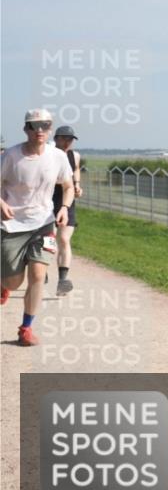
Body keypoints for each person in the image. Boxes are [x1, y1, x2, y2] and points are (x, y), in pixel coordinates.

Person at [1, 109, 74, 346]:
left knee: (38, 274)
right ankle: (4, 284)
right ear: (26, 129)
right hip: (12, 225)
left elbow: (68, 185)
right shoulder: (11, 156)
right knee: (13, 281)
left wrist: (63, 207)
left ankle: (26, 328)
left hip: (43, 223)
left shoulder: (58, 156)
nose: (40, 130)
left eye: (45, 125)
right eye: (34, 125)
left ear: (50, 128)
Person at [52, 125, 82, 296]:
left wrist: (77, 185)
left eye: (70, 139)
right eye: (63, 138)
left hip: (67, 201)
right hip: (47, 201)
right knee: (47, 241)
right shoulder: (48, 154)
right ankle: (42, 272)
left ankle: (63, 280)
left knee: (63, 239)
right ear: (56, 138)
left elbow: (76, 170)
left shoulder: (74, 155)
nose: (67, 142)